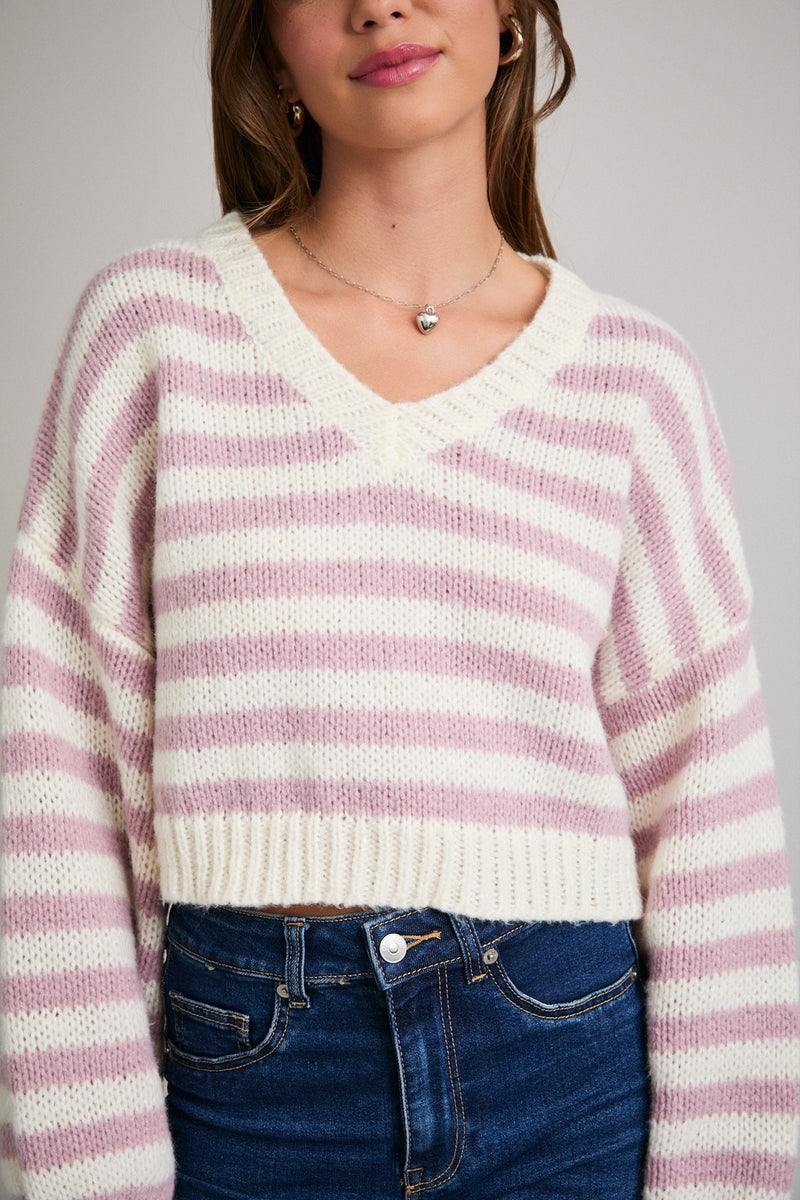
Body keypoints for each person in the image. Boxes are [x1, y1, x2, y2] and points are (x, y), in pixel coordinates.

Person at [1, 0, 799, 1196]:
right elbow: (54, 773)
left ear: (512, 18)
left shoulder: (634, 383)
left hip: (565, 1070)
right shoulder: (153, 332)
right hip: (251, 1078)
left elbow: (708, 823)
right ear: (268, 42)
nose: (378, 4)